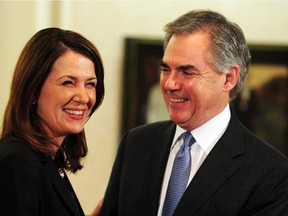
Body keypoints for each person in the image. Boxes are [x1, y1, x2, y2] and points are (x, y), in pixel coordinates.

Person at [99, 10, 288, 215]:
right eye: (165, 69)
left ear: (228, 78)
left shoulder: (270, 173)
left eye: (187, 71)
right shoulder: (135, 144)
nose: (170, 83)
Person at [0, 27, 104, 216]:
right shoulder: (15, 163)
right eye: (68, 82)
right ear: (32, 90)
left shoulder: (48, 160)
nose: (83, 97)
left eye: (90, 84)